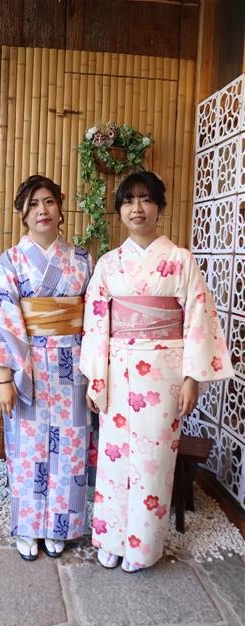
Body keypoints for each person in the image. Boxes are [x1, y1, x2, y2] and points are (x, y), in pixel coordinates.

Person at [80, 171, 234, 572]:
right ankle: (111, 538)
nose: (137, 208)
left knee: (154, 459)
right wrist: (95, 378)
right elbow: (96, 322)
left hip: (164, 372)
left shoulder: (180, 260)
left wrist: (192, 378)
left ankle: (143, 546)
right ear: (119, 210)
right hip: (116, 369)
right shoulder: (109, 264)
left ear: (159, 208)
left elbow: (198, 319)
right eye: (128, 201)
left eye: (146, 199)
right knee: (113, 456)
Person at [0, 175, 93, 560]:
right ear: (23, 215)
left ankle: (62, 526)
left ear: (60, 207)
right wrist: (3, 378)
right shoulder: (10, 261)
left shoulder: (82, 260)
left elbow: (96, 319)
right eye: (33, 205)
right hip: (27, 366)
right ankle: (27, 526)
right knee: (26, 448)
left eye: (49, 202)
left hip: (73, 365)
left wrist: (97, 371)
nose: (42, 210)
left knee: (71, 445)